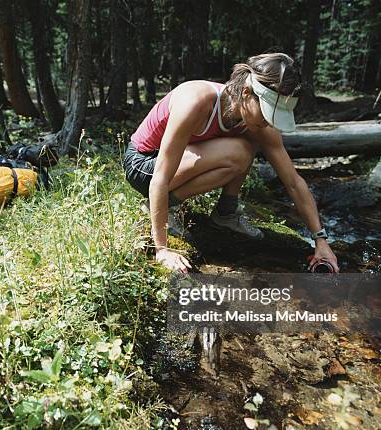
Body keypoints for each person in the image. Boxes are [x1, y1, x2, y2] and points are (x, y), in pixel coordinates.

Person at [123, 52, 339, 273]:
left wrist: (320, 240)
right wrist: (162, 250)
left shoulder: (258, 123)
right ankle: (158, 207)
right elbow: (160, 176)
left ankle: (226, 213)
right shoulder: (196, 101)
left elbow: (293, 182)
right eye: (266, 114)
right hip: (143, 164)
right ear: (246, 93)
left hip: (175, 167)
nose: (268, 123)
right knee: (238, 151)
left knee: (243, 149)